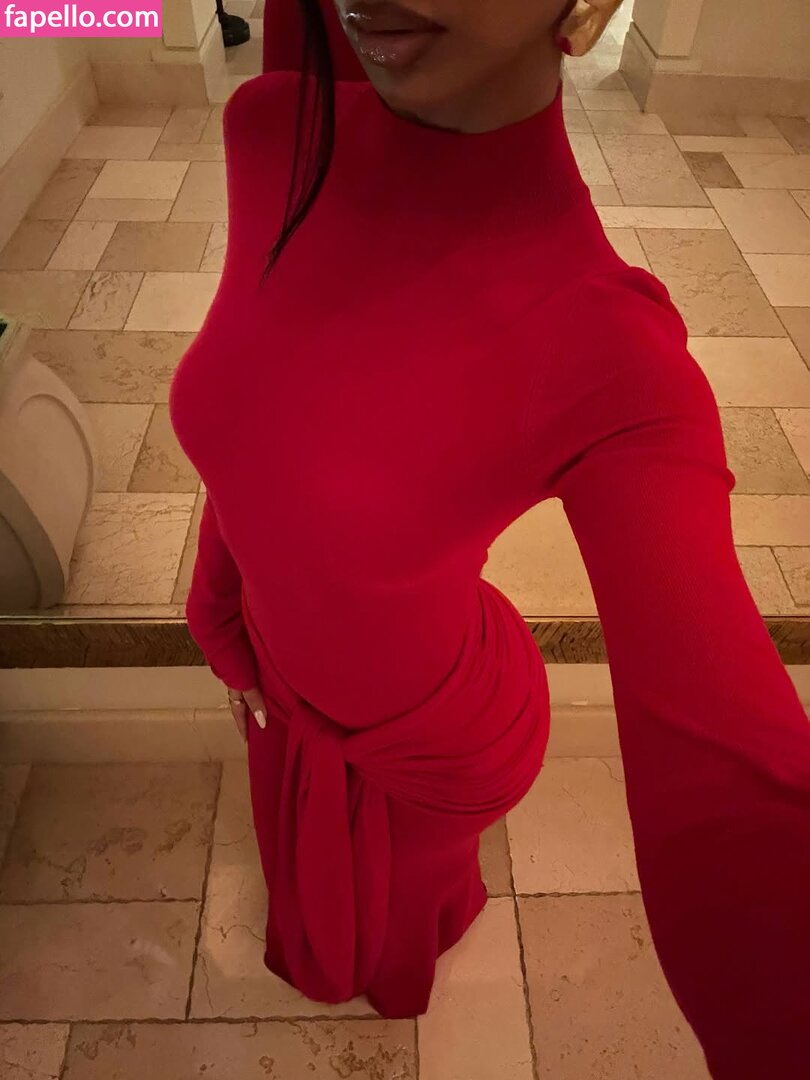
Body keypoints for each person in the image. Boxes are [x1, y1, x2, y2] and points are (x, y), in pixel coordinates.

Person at [168, 1, 810, 1075]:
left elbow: (738, 800)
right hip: (288, 668)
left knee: (401, 907)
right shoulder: (271, 128)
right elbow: (249, 428)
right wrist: (220, 619)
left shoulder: (613, 350)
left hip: (438, 741)